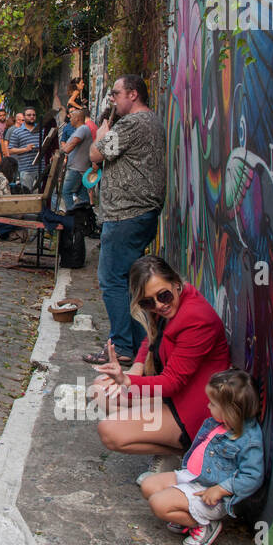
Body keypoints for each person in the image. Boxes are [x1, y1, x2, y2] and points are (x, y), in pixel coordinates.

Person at [91, 255, 231, 484]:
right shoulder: (174, 303)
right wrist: (136, 368)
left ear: (176, 282)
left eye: (163, 295)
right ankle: (169, 450)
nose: (159, 305)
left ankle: (184, 453)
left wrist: (127, 381)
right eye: (148, 302)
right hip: (174, 398)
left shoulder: (196, 318)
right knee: (100, 390)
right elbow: (152, 338)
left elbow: (172, 382)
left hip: (196, 411)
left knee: (110, 432)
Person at [138, 368, 264, 545]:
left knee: (158, 504)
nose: (208, 407)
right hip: (193, 477)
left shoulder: (248, 439)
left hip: (210, 492)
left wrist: (221, 489)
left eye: (213, 404)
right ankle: (183, 515)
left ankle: (203, 525)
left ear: (230, 410)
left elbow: (253, 476)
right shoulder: (217, 424)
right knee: (149, 485)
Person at [88, 75, 167, 367]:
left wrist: (103, 133)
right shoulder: (151, 121)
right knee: (129, 282)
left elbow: (95, 154)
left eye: (116, 93)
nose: (112, 98)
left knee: (111, 280)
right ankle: (138, 346)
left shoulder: (133, 124)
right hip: (137, 213)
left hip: (127, 214)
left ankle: (122, 345)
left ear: (133, 94)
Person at [60, 105, 93, 211]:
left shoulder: (82, 129)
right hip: (80, 168)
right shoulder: (81, 129)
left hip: (76, 169)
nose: (70, 119)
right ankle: (87, 217)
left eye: (71, 117)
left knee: (66, 192)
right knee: (82, 195)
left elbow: (71, 145)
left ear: (77, 118)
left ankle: (72, 216)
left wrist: (61, 151)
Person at [7, 107, 42, 188]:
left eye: (34, 115)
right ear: (24, 117)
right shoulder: (17, 132)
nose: (32, 117)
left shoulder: (41, 129)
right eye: (29, 115)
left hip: (41, 167)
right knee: (27, 194)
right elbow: (10, 150)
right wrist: (25, 149)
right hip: (26, 168)